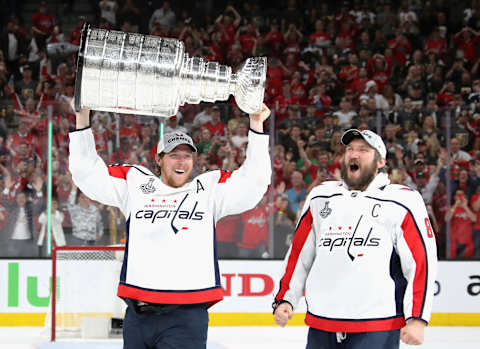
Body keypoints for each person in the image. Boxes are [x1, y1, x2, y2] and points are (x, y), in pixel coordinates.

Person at [68, 99, 271, 349]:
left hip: (185, 318)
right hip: (137, 316)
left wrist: (256, 126)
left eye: (187, 156)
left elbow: (254, 183)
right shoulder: (136, 184)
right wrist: (82, 119)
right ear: (159, 159)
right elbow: (87, 172)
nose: (181, 162)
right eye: (174, 155)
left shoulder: (208, 190)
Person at [273, 129, 438, 348]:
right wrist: (286, 298)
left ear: (380, 161)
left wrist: (417, 318)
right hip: (322, 322)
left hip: (377, 324)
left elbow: (420, 262)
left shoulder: (402, 200)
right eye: (349, 149)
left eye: (363, 150)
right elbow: (299, 254)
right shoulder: (321, 196)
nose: (353, 154)